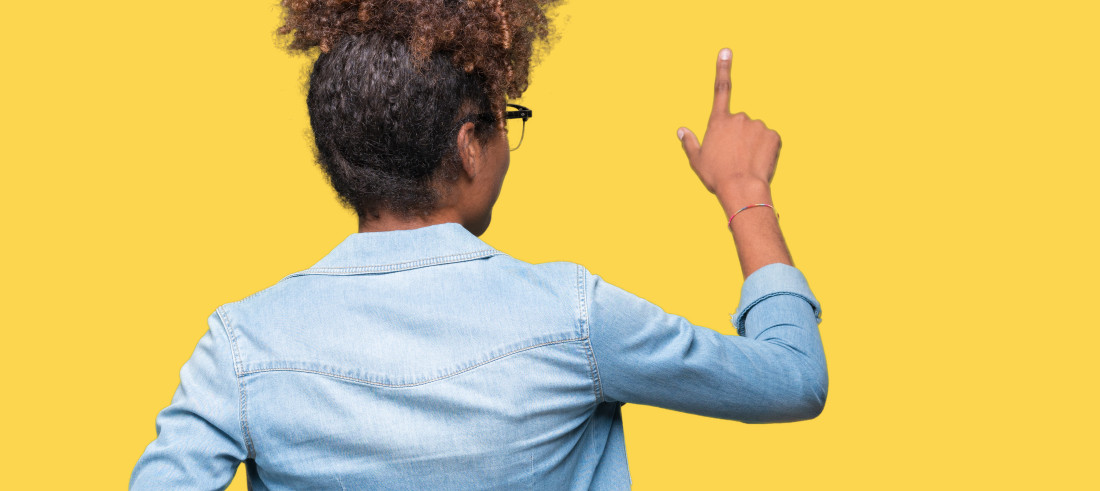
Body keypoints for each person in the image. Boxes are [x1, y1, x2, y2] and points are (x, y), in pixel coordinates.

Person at [130, 1, 827, 489]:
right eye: (505, 120)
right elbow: (793, 378)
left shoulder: (240, 346)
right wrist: (744, 190)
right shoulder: (575, 316)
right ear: (469, 146)